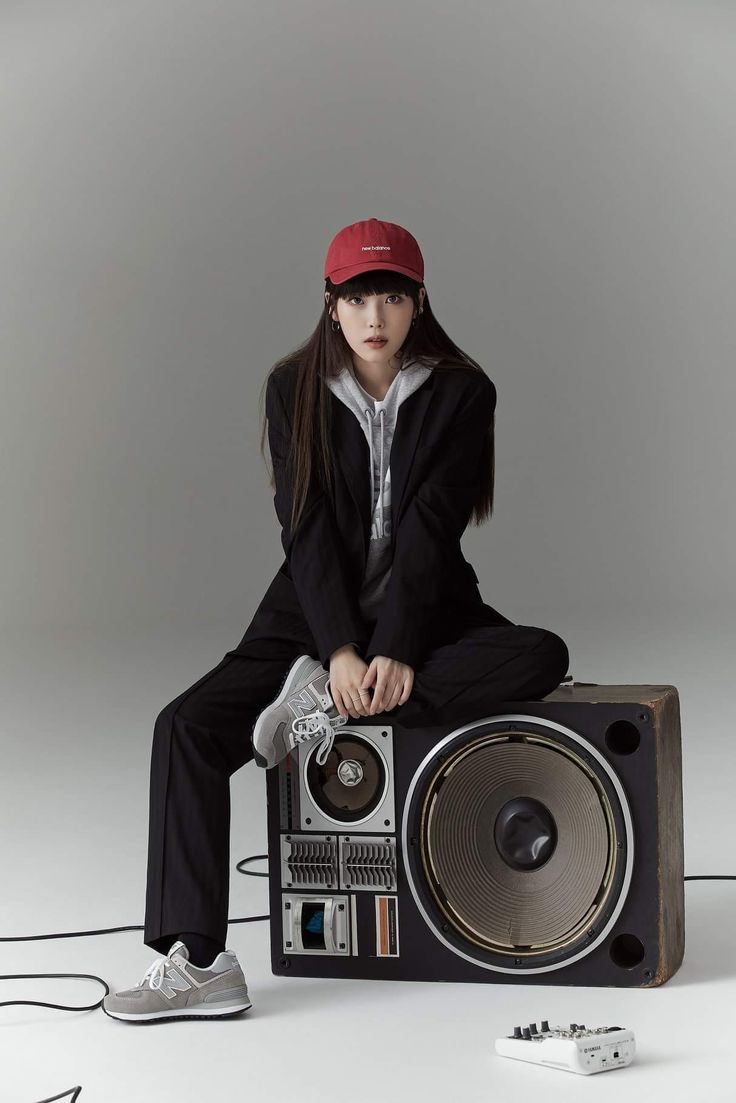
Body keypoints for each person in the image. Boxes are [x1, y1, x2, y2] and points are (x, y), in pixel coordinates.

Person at [102, 218, 570, 1023]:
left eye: (392, 295)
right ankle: (200, 961)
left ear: (419, 302)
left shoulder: (462, 391)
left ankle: (323, 704)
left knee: (540, 653)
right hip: (310, 621)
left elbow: (431, 529)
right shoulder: (294, 389)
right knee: (184, 727)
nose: (375, 315)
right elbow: (307, 527)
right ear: (331, 305)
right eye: (358, 297)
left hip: (428, 613)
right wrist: (344, 648)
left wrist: (393, 650)